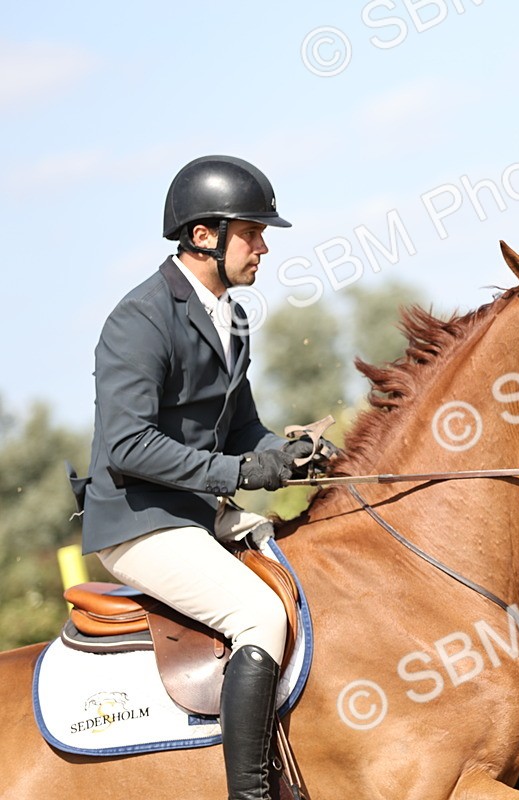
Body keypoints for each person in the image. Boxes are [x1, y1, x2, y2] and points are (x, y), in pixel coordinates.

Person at [70, 155, 325, 800]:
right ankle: (251, 793)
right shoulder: (139, 320)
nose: (263, 247)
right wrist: (239, 471)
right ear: (203, 236)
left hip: (195, 513)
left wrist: (291, 455)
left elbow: (242, 431)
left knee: (317, 563)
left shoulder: (231, 318)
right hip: (139, 522)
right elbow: (127, 446)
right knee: (258, 616)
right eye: (253, 232)